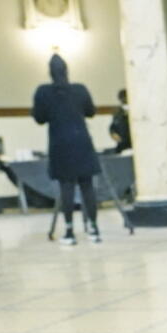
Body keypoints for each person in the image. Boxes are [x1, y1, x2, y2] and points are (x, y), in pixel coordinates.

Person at [32, 54, 102, 245]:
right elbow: (91, 111)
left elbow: (39, 118)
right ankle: (94, 229)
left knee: (67, 186)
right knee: (87, 185)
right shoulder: (80, 90)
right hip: (82, 140)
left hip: (60, 143)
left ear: (50, 72)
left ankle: (69, 231)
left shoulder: (43, 92)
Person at [109, 89, 131, 153]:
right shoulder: (117, 112)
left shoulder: (136, 110)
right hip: (122, 145)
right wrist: (113, 134)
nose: (124, 99)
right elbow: (112, 127)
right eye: (122, 98)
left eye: (125, 97)